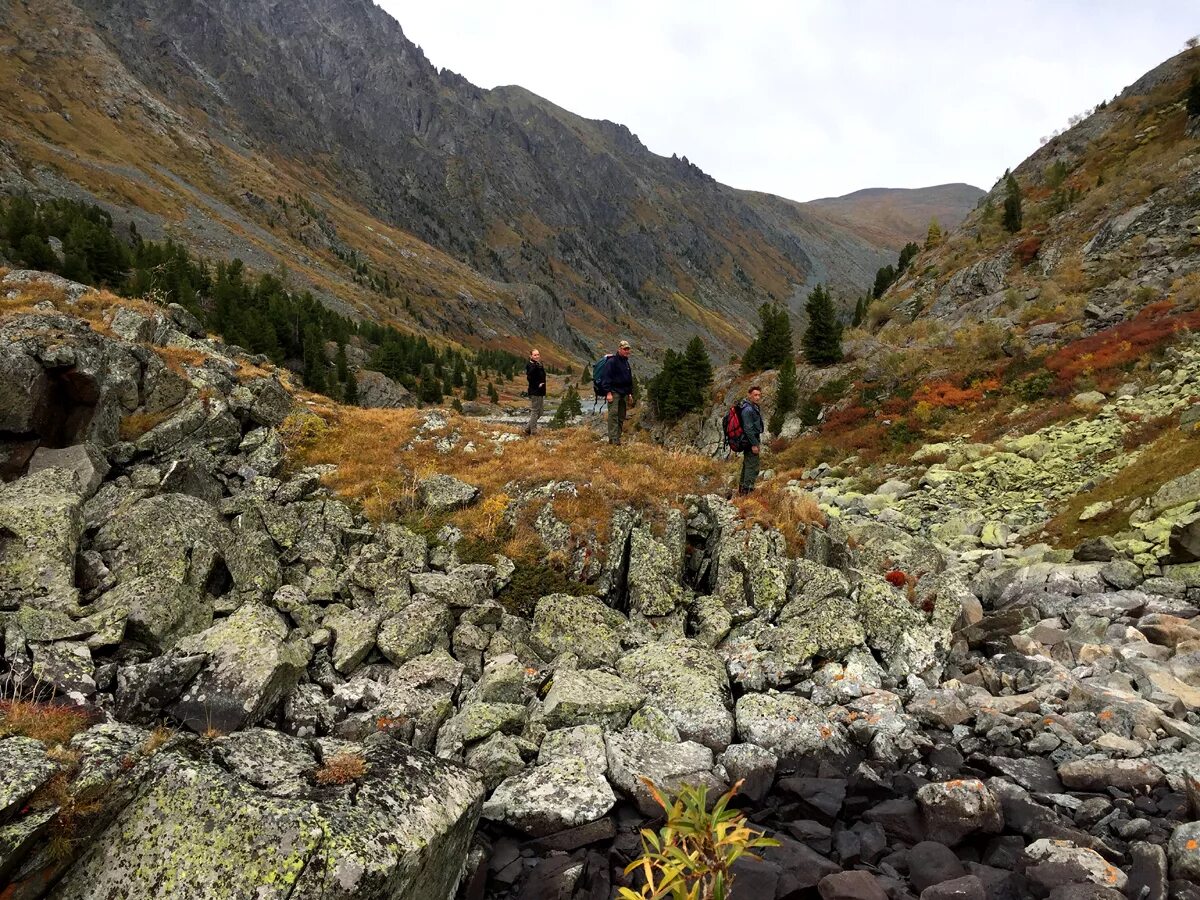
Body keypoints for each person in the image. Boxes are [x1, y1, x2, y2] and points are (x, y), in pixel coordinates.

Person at [600, 340, 635, 445]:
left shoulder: (626, 363)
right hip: (614, 392)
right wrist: (608, 393)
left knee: (621, 415)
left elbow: (628, 380)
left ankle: (617, 438)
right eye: (625, 349)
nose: (627, 351)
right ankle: (613, 438)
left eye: (628, 349)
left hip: (623, 393)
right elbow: (606, 378)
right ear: (619, 349)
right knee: (613, 415)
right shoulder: (612, 362)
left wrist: (629, 394)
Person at [738, 386, 764, 494]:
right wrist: (754, 444)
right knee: (752, 466)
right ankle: (747, 490)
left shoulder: (752, 407)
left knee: (747, 464)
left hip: (750, 440)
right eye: (755, 395)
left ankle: (742, 488)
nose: (757, 397)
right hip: (750, 441)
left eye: (759, 395)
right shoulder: (748, 409)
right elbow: (748, 429)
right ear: (749, 395)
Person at [525, 348, 546, 435]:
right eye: (535, 355)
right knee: (535, 411)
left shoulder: (538, 364)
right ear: (531, 356)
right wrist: (538, 384)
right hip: (535, 391)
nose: (537, 356)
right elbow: (529, 377)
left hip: (540, 391)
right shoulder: (530, 365)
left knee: (540, 412)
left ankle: (527, 428)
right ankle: (533, 431)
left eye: (538, 354)